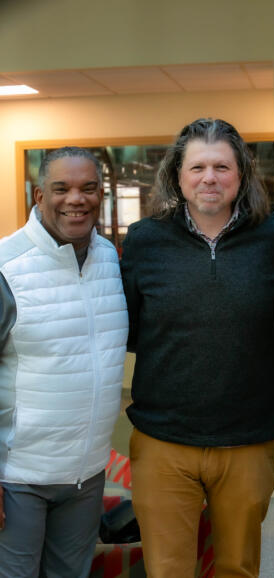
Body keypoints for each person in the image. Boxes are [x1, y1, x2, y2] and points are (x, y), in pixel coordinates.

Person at [121, 118, 274, 578]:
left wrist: (272, 367)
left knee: (238, 568)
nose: (210, 178)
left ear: (241, 174)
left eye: (222, 166)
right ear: (178, 175)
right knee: (167, 571)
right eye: (197, 167)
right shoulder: (145, 240)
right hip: (163, 440)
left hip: (249, 438)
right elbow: (132, 328)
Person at [0, 147, 129, 578]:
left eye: (88, 188)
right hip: (18, 477)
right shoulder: (7, 267)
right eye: (62, 188)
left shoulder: (109, 258)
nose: (76, 199)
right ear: (39, 196)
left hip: (86, 473)